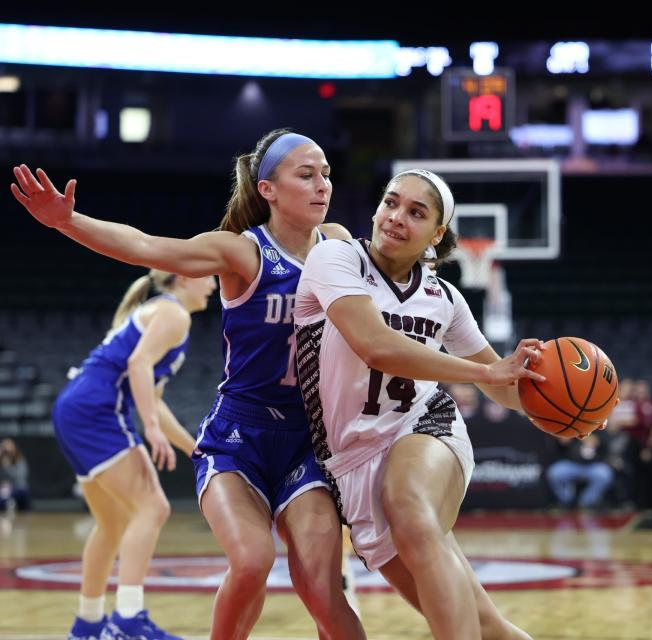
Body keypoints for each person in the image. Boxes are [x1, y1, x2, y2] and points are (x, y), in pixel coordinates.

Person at [11, 129, 364, 640]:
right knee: (252, 560)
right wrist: (68, 222)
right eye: (306, 175)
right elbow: (144, 247)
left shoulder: (337, 245)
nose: (322, 185)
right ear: (267, 189)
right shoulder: (243, 253)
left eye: (326, 174)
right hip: (238, 439)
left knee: (323, 586)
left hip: (306, 441)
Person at [295, 169, 542, 639]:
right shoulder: (336, 258)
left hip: (424, 427)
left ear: (437, 234)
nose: (396, 217)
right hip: (350, 462)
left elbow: (501, 384)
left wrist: (553, 412)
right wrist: (487, 372)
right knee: (488, 627)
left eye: (416, 212)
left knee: (409, 508)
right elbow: (375, 345)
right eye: (391, 203)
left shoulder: (444, 297)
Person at [51, 269, 216, 639]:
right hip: (98, 410)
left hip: (75, 407)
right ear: (186, 277)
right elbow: (137, 365)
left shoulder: (164, 312)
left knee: (112, 523)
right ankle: (128, 620)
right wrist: (151, 430)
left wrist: (196, 450)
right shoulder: (173, 314)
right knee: (153, 507)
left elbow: (154, 402)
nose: (213, 286)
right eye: (209, 277)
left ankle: (88, 624)